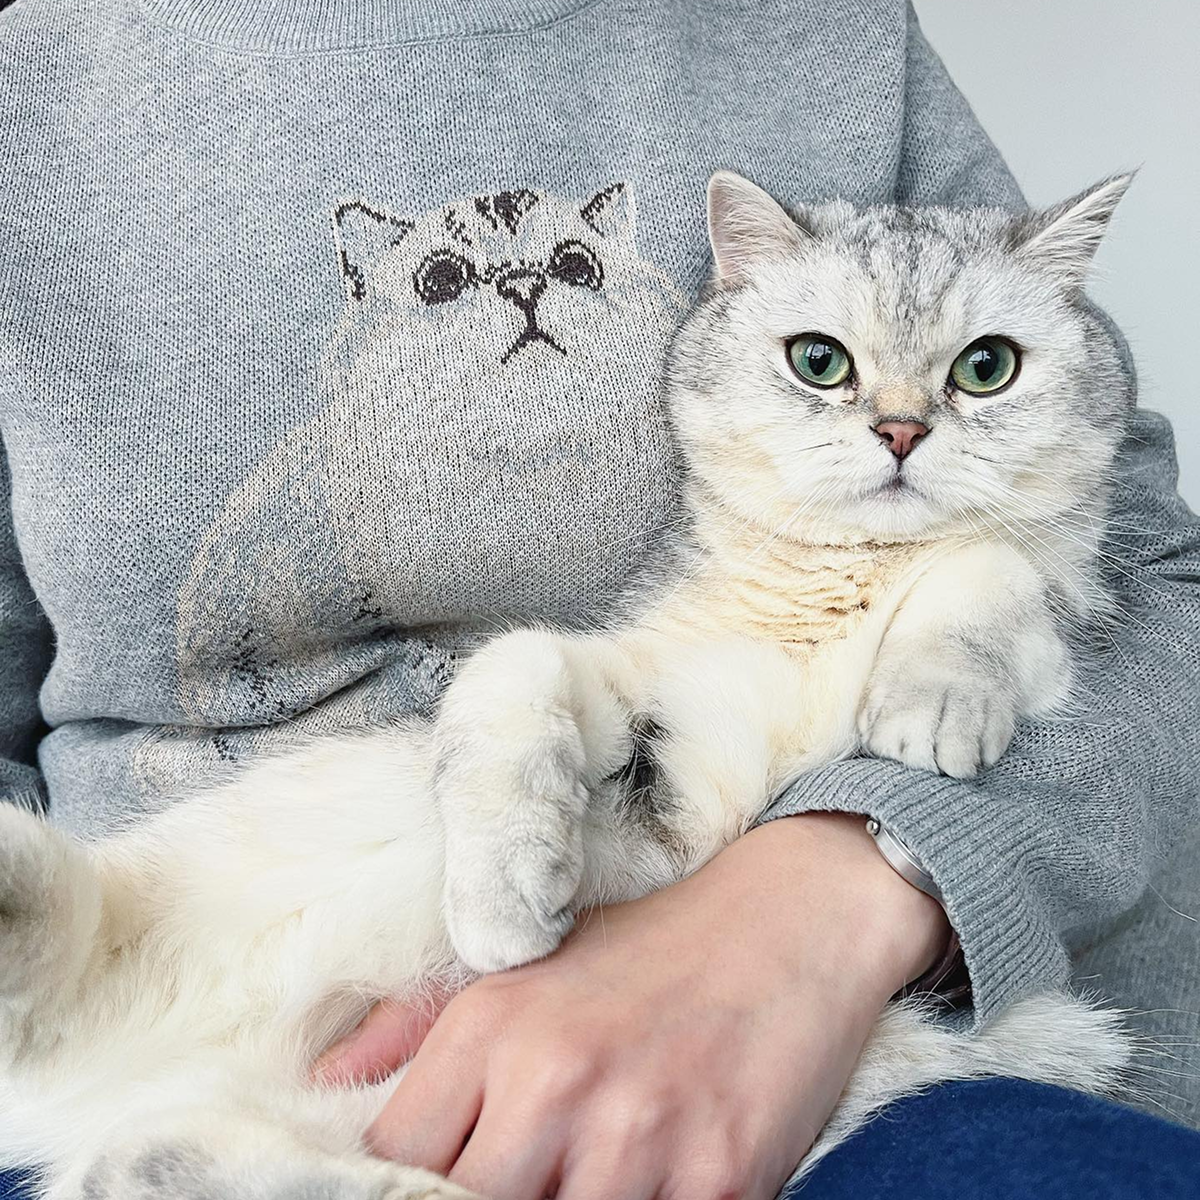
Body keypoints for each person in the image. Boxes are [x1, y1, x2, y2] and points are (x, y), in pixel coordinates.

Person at [1, 1, 1198, 1197]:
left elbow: (1152, 579)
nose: (899, 423)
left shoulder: (829, 36)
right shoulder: (33, 79)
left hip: (813, 1018)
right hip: (199, 948)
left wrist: (837, 905)